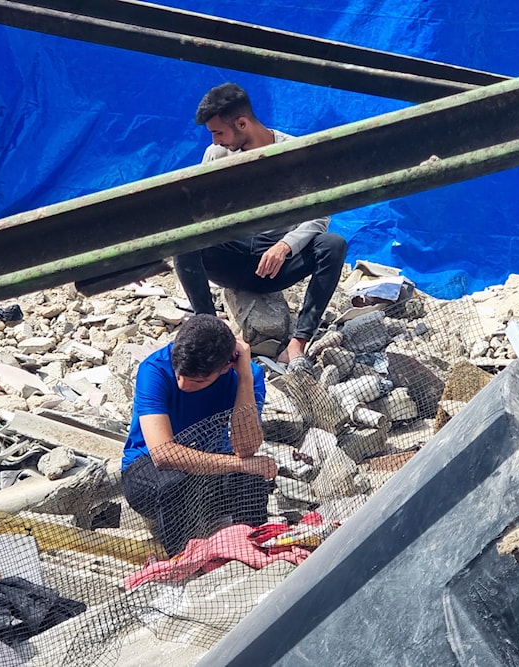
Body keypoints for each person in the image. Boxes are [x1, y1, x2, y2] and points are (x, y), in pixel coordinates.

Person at [173, 82, 348, 364]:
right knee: (183, 240)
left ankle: (298, 342)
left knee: (333, 244)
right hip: (229, 258)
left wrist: (285, 246)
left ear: (242, 123)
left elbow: (319, 215)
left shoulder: (295, 153)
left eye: (219, 132)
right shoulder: (215, 156)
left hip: (275, 265)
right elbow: (198, 215)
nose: (215, 141)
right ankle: (209, 332)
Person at [121, 314, 278, 556]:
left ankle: (254, 549)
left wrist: (244, 375)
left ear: (226, 366)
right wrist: (240, 464)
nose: (183, 384)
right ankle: (185, 561)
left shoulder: (247, 375)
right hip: (147, 472)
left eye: (197, 380)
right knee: (174, 484)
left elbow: (245, 449)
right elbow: (163, 454)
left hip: (209, 472)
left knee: (252, 479)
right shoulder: (154, 369)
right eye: (179, 374)